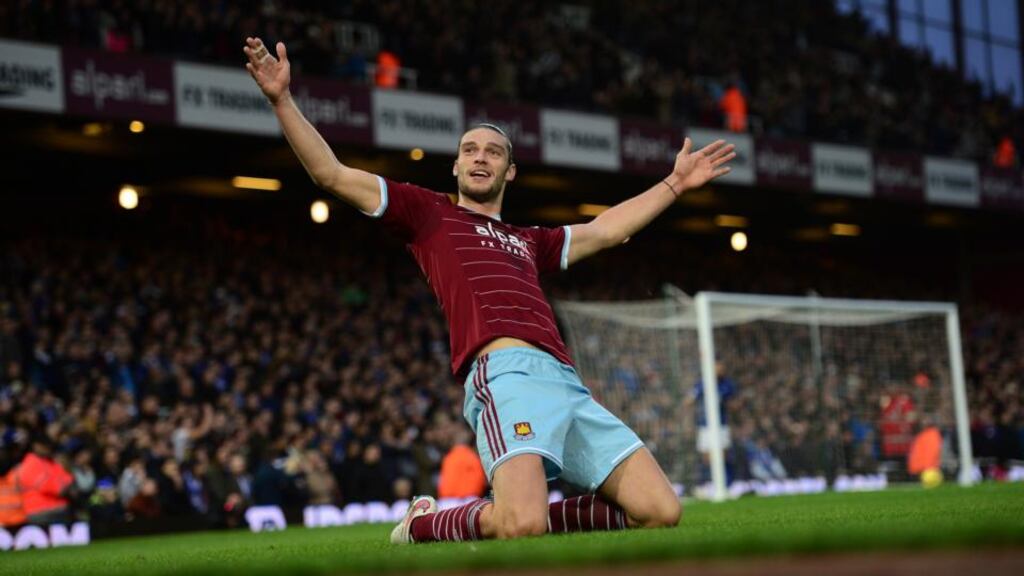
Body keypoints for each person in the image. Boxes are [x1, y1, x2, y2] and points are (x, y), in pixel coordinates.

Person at [243, 37, 735, 543]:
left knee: (659, 510)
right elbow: (331, 174)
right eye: (469, 151)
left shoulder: (529, 241)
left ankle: (524, 516)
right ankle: (424, 526)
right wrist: (282, 100)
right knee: (521, 523)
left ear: (509, 171)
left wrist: (674, 184)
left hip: (566, 382)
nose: (480, 159)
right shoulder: (429, 213)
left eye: (494, 152)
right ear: (455, 166)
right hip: (506, 377)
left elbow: (606, 230)